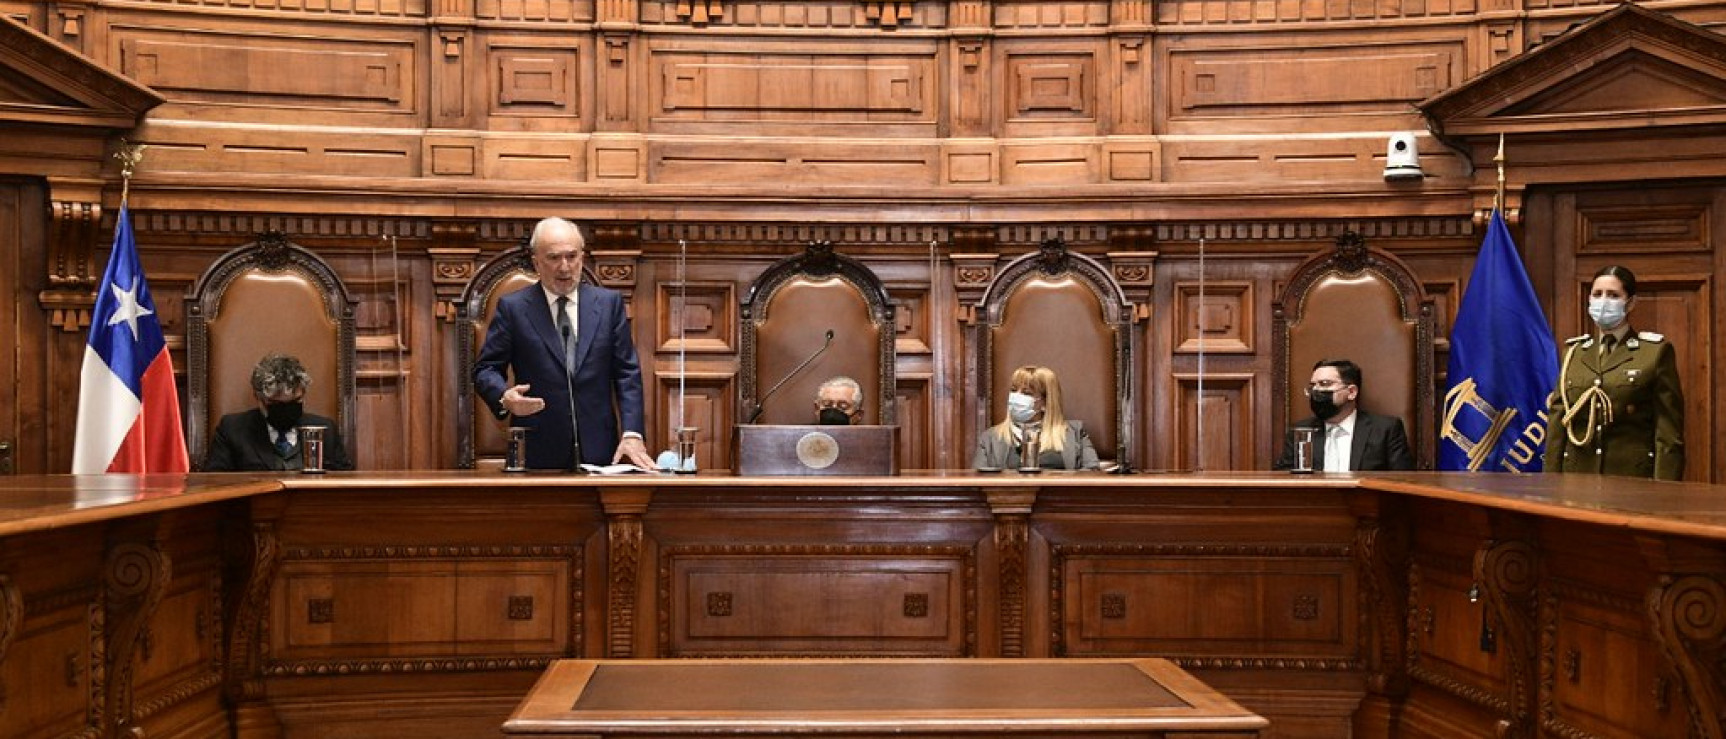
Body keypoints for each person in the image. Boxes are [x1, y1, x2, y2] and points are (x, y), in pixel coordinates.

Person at [474, 217, 655, 470]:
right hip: (538, 451)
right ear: (536, 262)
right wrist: (504, 397)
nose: (564, 267)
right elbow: (486, 369)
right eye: (554, 257)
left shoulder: (608, 305)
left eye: (572, 256)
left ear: (582, 256)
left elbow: (627, 373)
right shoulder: (513, 308)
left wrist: (633, 434)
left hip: (601, 452)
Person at [1545, 265, 1684, 480]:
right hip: (1576, 478)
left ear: (1631, 303)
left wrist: (1664, 490)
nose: (1603, 301)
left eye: (1613, 295)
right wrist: (1550, 482)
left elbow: (1668, 433)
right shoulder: (1573, 352)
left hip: (1631, 478)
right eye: (1597, 294)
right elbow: (1557, 423)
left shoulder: (1654, 353)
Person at [205, 354, 353, 471]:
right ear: (258, 398)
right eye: (276, 404)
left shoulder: (325, 430)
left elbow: (346, 483)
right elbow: (214, 484)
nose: (286, 410)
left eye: (295, 402)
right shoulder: (233, 430)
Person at [1274, 358, 1414, 472]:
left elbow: (1402, 481)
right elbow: (1283, 478)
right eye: (1313, 386)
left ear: (1351, 392)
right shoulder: (1300, 431)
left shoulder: (1385, 430)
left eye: (1325, 384)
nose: (1316, 391)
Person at [973, 365, 1099, 471]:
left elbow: (1092, 474)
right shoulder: (989, 438)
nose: (1016, 397)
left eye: (1026, 393)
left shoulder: (1076, 432)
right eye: (1013, 390)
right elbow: (977, 484)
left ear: (1046, 402)